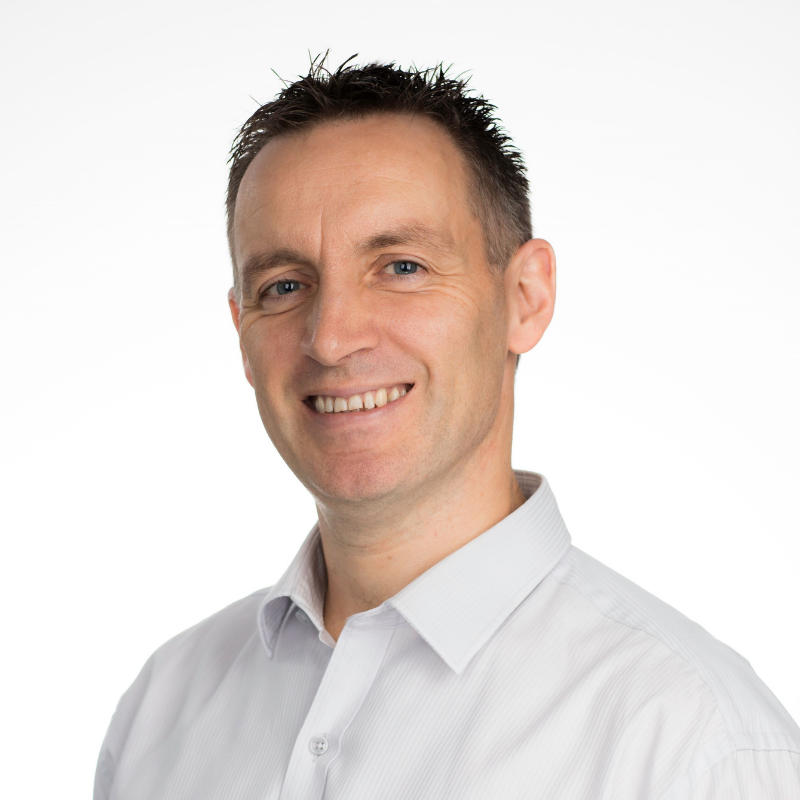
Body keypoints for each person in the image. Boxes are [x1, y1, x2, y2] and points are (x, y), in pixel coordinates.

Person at [94, 59, 800, 800]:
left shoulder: (695, 749)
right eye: (285, 286)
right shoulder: (160, 713)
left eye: (401, 266)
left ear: (525, 298)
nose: (330, 338)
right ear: (242, 330)